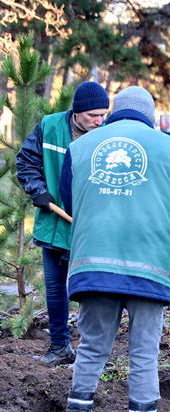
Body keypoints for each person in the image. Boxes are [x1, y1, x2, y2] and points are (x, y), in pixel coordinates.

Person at [58, 86, 170, 412]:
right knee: (143, 354)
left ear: (113, 113)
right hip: (149, 265)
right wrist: (155, 203)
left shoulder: (80, 147)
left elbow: (71, 201)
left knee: (92, 348)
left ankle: (78, 406)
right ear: (151, 117)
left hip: (93, 262)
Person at [16, 81, 110, 366]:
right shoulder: (50, 126)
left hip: (91, 228)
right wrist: (39, 191)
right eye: (94, 115)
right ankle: (59, 347)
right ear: (77, 112)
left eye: (103, 114)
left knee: (91, 291)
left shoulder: (106, 135)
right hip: (55, 225)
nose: (100, 121)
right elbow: (26, 162)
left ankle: (92, 354)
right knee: (56, 290)